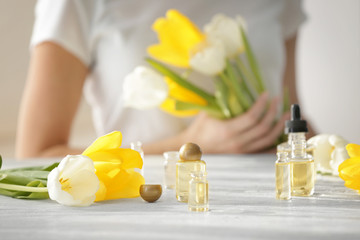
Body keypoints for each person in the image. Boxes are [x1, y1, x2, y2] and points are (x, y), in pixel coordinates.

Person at [16, 0, 315, 158]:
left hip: (273, 210)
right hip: (146, 209)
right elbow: (35, 155)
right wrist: (187, 145)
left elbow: (292, 116)